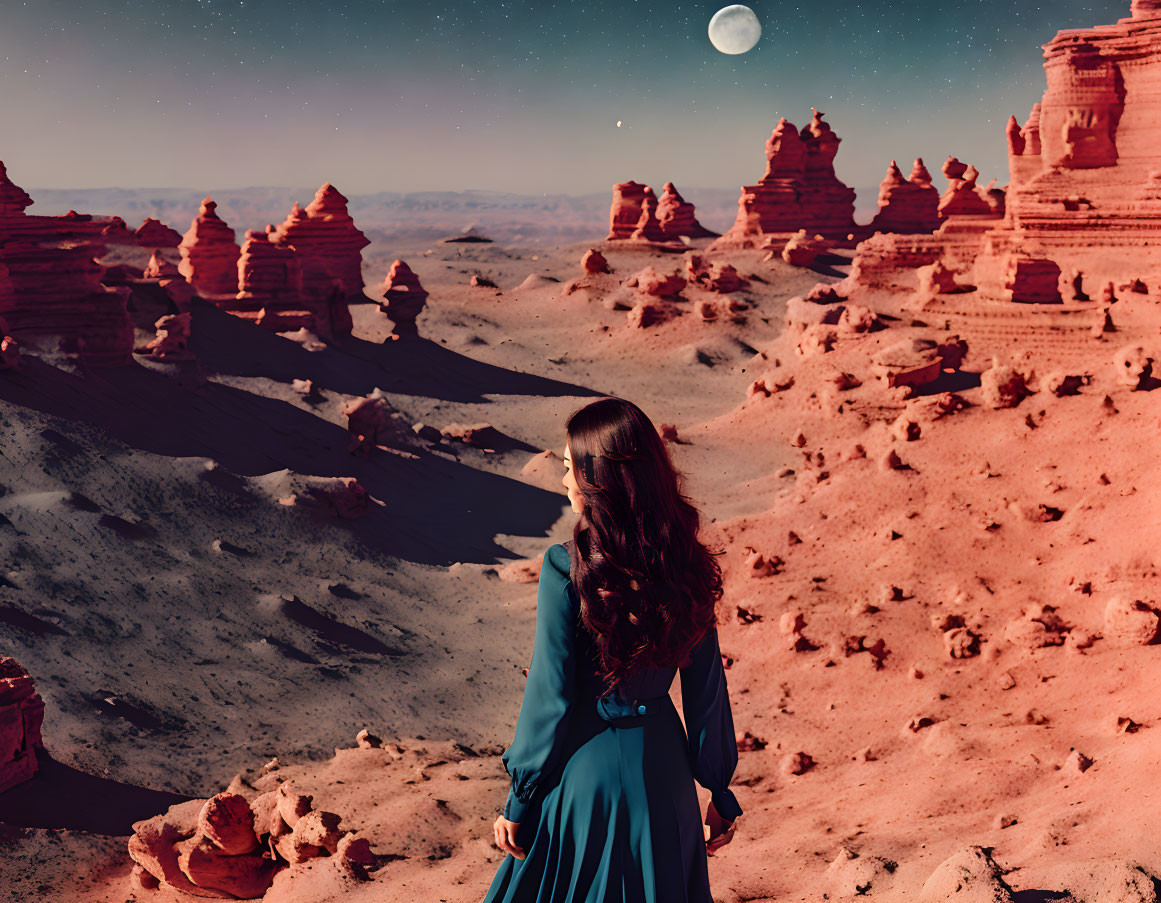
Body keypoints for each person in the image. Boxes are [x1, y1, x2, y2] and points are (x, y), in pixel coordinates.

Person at [482, 396, 742, 903]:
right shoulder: (686, 564)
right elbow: (707, 691)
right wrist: (719, 791)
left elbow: (550, 697)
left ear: (598, 476)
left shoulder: (567, 566)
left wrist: (520, 798)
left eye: (569, 467)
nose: (563, 481)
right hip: (664, 780)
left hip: (586, 776)